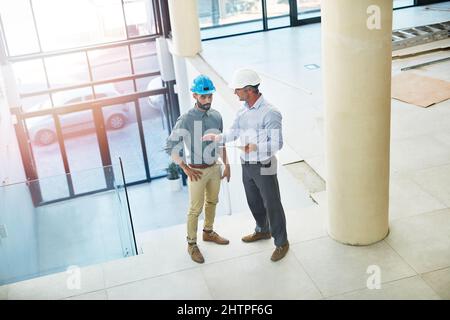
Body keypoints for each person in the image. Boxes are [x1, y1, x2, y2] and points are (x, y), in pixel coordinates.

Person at [202, 68, 289, 262]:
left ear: (249, 90)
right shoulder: (242, 111)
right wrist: (217, 137)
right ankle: (262, 230)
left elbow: (277, 143)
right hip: (247, 164)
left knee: (272, 203)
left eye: (238, 89)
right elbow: (234, 132)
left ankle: (282, 242)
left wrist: (255, 146)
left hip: (264, 163)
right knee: (254, 201)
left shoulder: (271, 113)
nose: (234, 93)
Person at [166, 74, 231, 264]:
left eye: (210, 96)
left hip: (215, 168)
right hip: (196, 172)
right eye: (203, 96)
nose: (208, 100)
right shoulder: (185, 119)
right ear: (195, 96)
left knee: (213, 201)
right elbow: (171, 146)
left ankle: (208, 232)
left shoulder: (217, 116)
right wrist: (185, 168)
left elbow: (221, 143)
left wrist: (227, 165)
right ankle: (192, 244)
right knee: (195, 209)